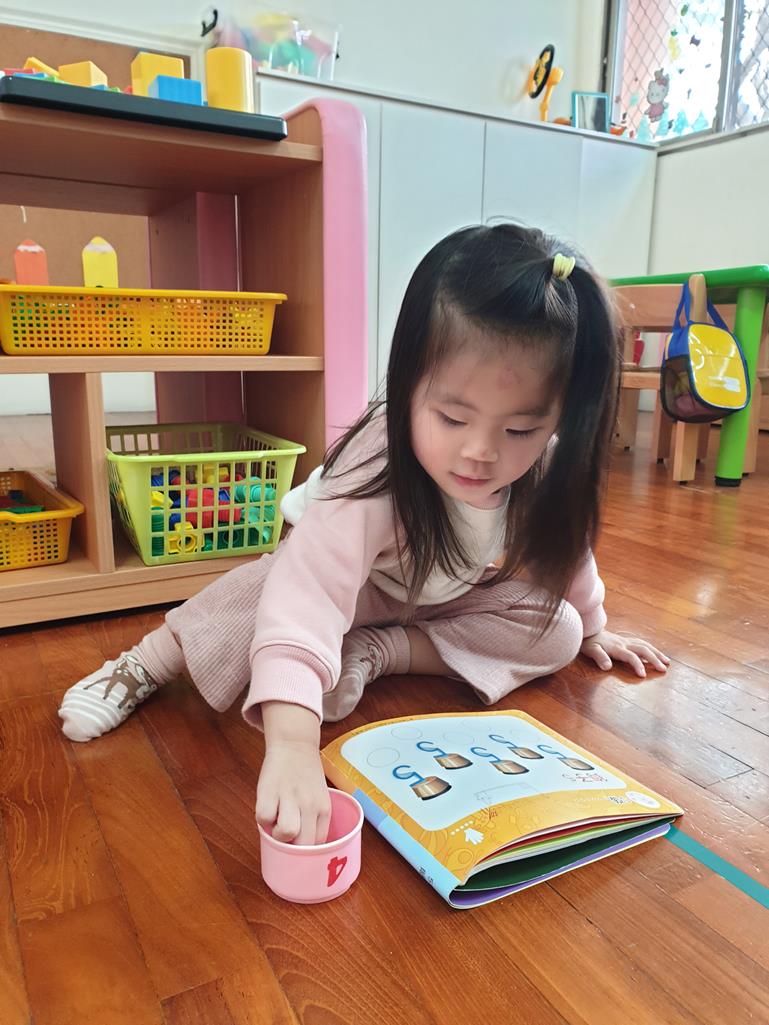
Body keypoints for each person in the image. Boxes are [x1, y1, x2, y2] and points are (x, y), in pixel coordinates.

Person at [58, 223, 669, 846]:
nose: (481, 452)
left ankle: (378, 652)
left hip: (434, 596)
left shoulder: (544, 464)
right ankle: (142, 665)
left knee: (556, 628)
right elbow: (309, 596)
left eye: (520, 431)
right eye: (451, 417)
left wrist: (594, 628)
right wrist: (292, 747)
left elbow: (567, 552)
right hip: (347, 584)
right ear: (407, 386)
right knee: (261, 594)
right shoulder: (375, 465)